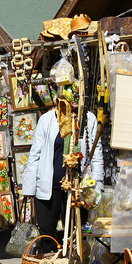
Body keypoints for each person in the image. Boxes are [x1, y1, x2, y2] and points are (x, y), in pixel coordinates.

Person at [21, 106, 103, 248]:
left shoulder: (88, 119)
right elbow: (35, 155)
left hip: (78, 186)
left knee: (77, 234)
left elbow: (96, 154)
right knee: (47, 234)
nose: (73, 101)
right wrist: (29, 189)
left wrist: (97, 186)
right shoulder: (47, 119)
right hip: (49, 185)